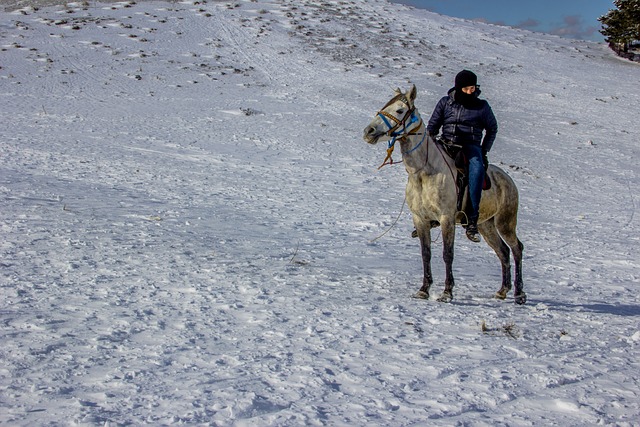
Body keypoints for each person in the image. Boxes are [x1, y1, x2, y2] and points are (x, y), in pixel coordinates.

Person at [426, 70, 497, 242]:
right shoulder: (445, 103)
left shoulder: (482, 106)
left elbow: (492, 128)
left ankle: (472, 218)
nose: (470, 92)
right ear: (458, 88)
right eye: (466, 89)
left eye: (472, 88)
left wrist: (483, 150)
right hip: (447, 143)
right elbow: (433, 125)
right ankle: (429, 213)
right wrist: (430, 141)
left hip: (470, 146)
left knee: (476, 169)